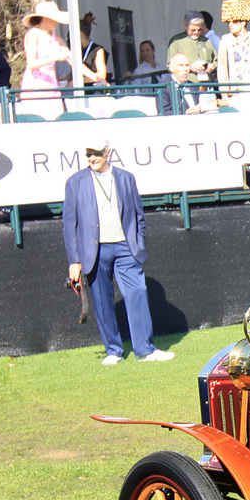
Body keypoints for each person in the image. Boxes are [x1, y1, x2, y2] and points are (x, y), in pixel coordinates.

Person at [62, 138, 175, 364]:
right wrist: (74, 260)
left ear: (108, 152)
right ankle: (113, 351)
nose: (92, 158)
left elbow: (138, 216)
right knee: (102, 301)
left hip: (125, 247)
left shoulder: (126, 178)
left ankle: (145, 350)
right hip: (93, 251)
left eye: (97, 153)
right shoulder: (75, 182)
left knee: (137, 293)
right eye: (88, 154)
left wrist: (137, 244)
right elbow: (69, 224)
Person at [19, 0, 73, 118]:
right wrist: (55, 57)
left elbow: (70, 57)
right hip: (35, 87)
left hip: (52, 86)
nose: (57, 22)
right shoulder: (33, 34)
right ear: (45, 18)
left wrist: (95, 76)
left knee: (56, 119)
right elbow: (32, 63)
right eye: (54, 18)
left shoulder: (55, 36)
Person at [215, 19, 250, 100]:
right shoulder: (225, 41)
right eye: (228, 22)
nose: (230, 25)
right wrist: (224, 91)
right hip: (235, 90)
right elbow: (222, 67)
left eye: (234, 22)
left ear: (243, 22)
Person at [166, 11, 216, 81]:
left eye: (199, 30)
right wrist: (190, 67)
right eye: (193, 30)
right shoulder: (176, 41)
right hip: (189, 84)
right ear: (185, 26)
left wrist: (213, 66)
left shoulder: (206, 41)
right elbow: (170, 66)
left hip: (207, 85)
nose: (196, 32)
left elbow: (217, 60)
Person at [78, 13, 110, 87]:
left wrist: (78, 81)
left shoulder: (98, 50)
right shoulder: (79, 50)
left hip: (94, 93)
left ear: (81, 33)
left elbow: (101, 75)